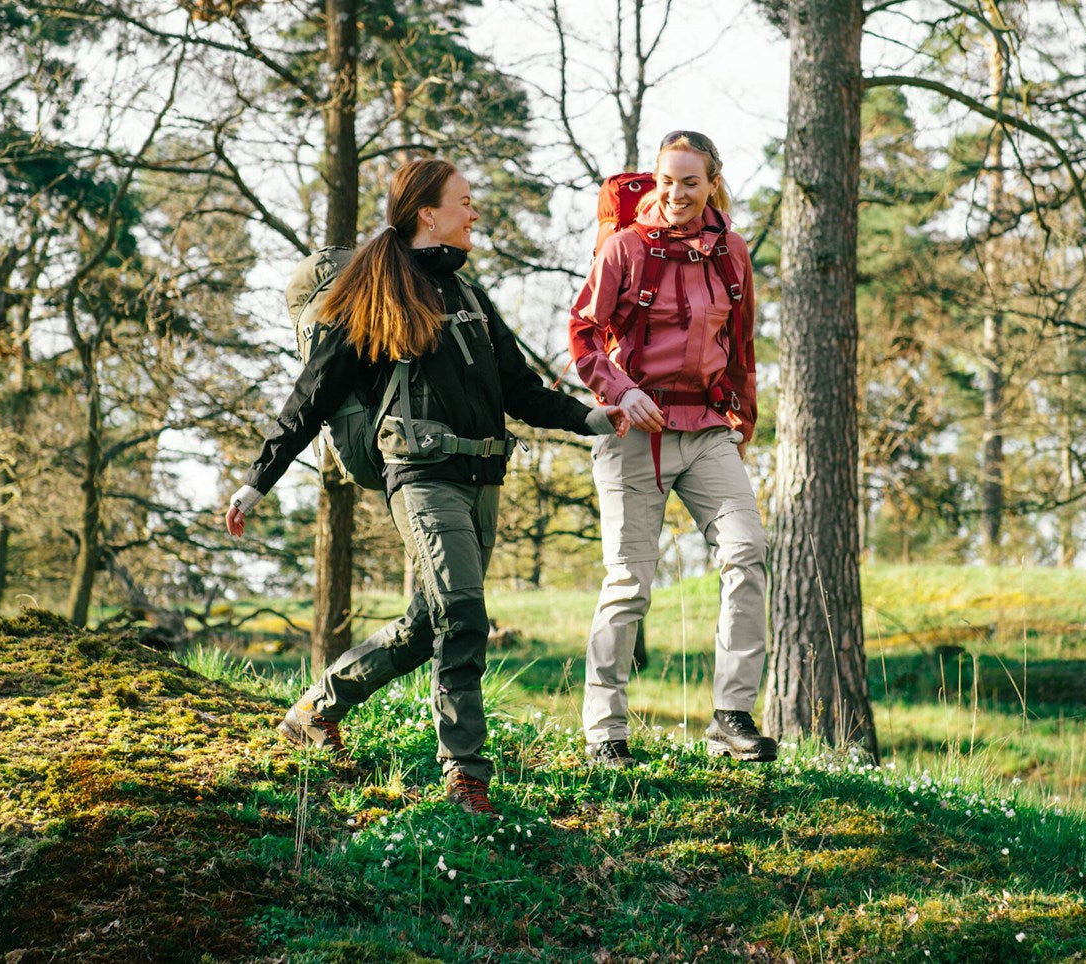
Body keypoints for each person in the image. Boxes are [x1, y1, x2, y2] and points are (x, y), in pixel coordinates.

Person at [226, 158, 628, 815]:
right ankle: (466, 775)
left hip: (482, 475)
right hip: (421, 475)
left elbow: (521, 390)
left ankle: (315, 709)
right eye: (465, 202)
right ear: (428, 214)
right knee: (463, 614)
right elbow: (315, 391)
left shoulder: (470, 296)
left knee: (428, 623)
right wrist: (257, 481)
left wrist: (591, 419)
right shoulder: (379, 293)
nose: (475, 213)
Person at [569, 130, 778, 767]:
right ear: (655, 181)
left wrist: (745, 412)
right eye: (667, 180)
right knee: (630, 581)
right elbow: (582, 336)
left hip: (708, 426)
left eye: (691, 181)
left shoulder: (732, 253)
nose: (678, 193)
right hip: (637, 431)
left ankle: (731, 716)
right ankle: (605, 732)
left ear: (713, 182)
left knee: (748, 550)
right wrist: (620, 390)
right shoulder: (625, 249)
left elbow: (740, 344)